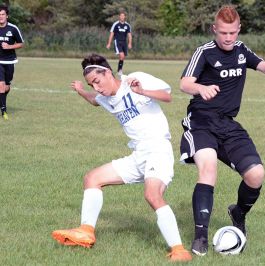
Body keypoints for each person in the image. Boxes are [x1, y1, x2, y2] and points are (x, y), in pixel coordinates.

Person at [179, 5, 265, 256]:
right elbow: (184, 82)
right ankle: (200, 237)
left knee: (256, 175)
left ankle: (238, 213)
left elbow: (263, 67)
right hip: (201, 122)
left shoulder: (242, 51)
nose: (228, 37)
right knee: (208, 168)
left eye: (232, 32)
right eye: (223, 32)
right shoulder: (205, 52)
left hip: (227, 124)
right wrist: (201, 89)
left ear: (239, 29)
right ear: (214, 29)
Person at [51, 54, 192, 262]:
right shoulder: (105, 98)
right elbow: (94, 100)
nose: (96, 88)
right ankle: (86, 231)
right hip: (137, 156)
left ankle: (179, 250)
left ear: (107, 72)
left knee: (152, 196)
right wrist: (82, 90)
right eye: (92, 84)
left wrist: (141, 90)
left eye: (97, 82)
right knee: (92, 178)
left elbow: (167, 96)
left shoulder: (133, 79)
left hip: (157, 150)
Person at [0, 4, 24, 120]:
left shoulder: (13, 28)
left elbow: (21, 43)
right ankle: (3, 111)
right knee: (1, 85)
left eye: (3, 14)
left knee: (6, 87)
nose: (1, 17)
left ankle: (2, 99)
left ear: (7, 16)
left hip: (9, 61)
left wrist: (9, 46)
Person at [106, 10, 132, 76]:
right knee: (122, 55)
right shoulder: (116, 24)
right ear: (119, 17)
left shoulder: (127, 25)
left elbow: (129, 35)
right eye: (121, 16)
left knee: (122, 57)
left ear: (125, 17)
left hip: (124, 43)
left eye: (123, 16)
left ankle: (119, 70)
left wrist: (129, 43)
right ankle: (120, 71)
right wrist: (109, 43)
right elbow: (112, 34)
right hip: (117, 42)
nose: (122, 17)